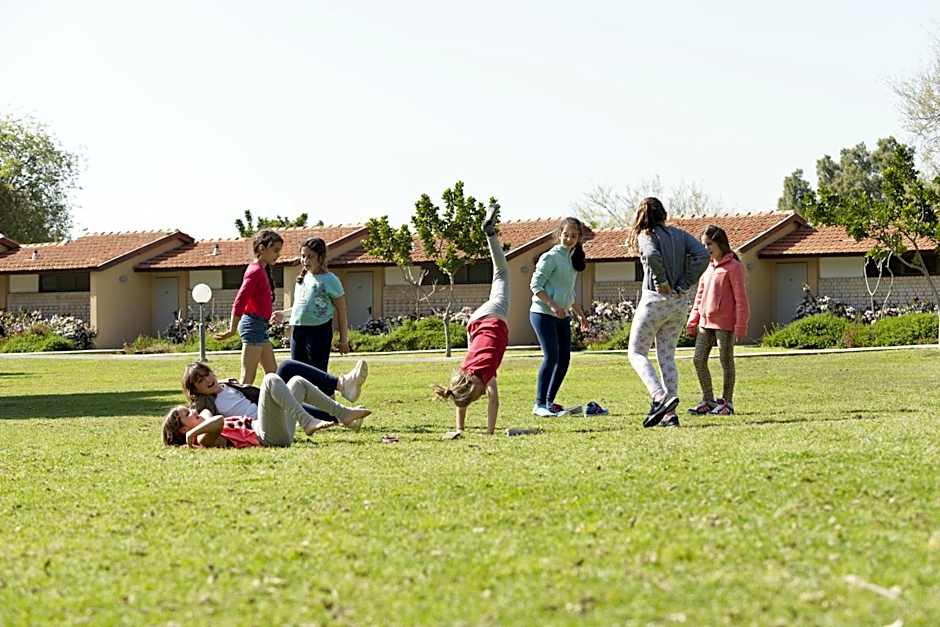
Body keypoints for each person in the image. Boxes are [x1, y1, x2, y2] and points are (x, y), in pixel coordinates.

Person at [626, 197, 709, 428]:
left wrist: (661, 280)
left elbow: (652, 255)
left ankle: (659, 397)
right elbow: (703, 256)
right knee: (666, 356)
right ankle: (670, 416)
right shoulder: (680, 235)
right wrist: (685, 283)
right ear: (664, 214)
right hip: (679, 303)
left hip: (655, 300)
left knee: (636, 352)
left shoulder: (646, 235)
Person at [433, 205, 506, 435]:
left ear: (475, 385)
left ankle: (489, 233)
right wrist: (459, 429)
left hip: (493, 316)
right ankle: (489, 232)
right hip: (473, 327)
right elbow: (458, 395)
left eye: (478, 395)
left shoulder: (484, 374)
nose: (483, 395)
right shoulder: (465, 372)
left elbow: (494, 400)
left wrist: (490, 433)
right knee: (498, 276)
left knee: (501, 273)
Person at [162, 373, 371, 448]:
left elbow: (211, 418)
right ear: (182, 430)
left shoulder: (223, 391)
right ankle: (307, 421)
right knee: (270, 378)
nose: (192, 412)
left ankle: (343, 414)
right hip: (266, 436)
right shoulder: (201, 439)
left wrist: (193, 425)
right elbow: (217, 421)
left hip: (276, 430)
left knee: (297, 382)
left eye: (187, 410)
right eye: (186, 415)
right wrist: (193, 433)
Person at [182, 358, 368, 430]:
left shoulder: (224, 385)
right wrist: (189, 429)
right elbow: (203, 419)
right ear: (195, 391)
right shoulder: (205, 402)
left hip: (273, 408)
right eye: (200, 381)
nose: (207, 380)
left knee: (301, 393)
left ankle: (345, 413)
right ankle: (343, 385)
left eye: (207, 374)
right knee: (286, 368)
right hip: (267, 419)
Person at [686, 225, 750, 417]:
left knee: (725, 361)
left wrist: (741, 325)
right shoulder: (708, 268)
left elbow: (741, 298)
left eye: (710, 244)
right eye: (704, 245)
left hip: (726, 325)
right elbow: (699, 296)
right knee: (698, 360)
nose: (706, 249)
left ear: (720, 243)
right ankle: (708, 400)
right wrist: (693, 321)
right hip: (705, 324)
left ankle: (727, 403)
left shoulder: (734, 267)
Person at [529, 217, 589, 417]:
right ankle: (539, 405)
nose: (569, 239)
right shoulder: (550, 257)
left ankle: (549, 402)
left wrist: (581, 316)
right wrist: (553, 305)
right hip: (542, 313)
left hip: (561, 315)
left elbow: (569, 294)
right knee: (551, 357)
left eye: (574, 236)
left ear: (579, 238)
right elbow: (535, 286)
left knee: (564, 359)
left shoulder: (572, 259)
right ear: (559, 234)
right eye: (566, 235)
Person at [215, 229, 284, 385]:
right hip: (253, 326)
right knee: (247, 378)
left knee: (274, 374)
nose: (278, 255)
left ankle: (277, 408)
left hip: (259, 326)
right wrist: (232, 329)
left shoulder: (261, 270)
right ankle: (236, 406)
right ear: (261, 248)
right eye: (275, 250)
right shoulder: (255, 271)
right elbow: (240, 300)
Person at [272, 237, 349, 372]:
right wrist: (283, 315)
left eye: (310, 257)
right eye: (303, 256)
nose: (305, 260)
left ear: (321, 257)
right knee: (297, 373)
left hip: (320, 331)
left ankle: (326, 393)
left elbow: (341, 311)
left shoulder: (331, 280)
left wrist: (343, 340)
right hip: (298, 331)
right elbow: (300, 308)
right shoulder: (302, 279)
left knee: (318, 374)